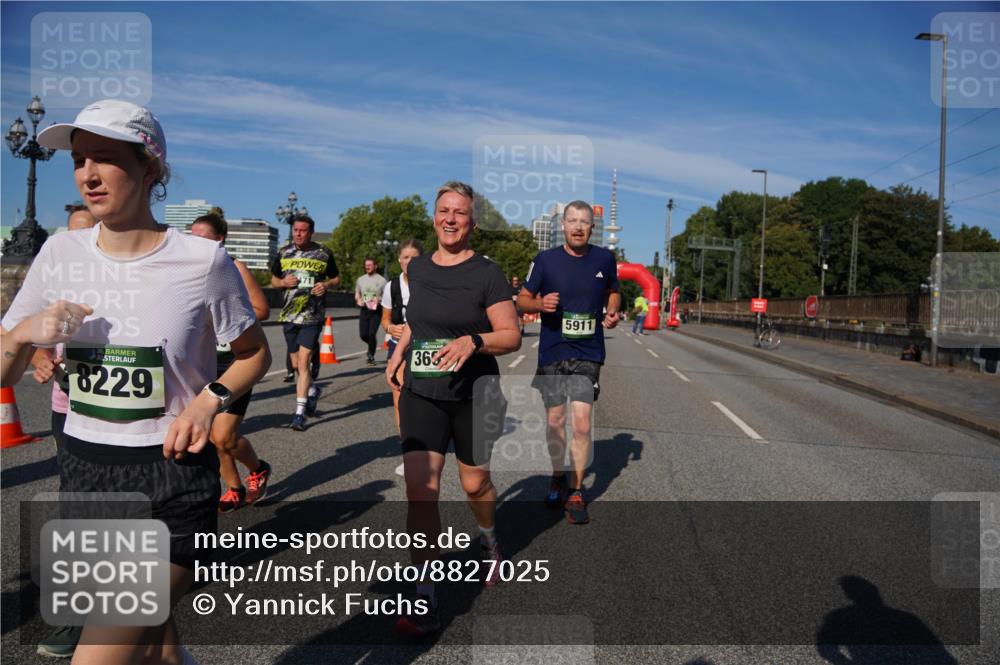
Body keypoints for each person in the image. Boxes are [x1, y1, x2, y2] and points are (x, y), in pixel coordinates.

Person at [0, 98, 270, 665]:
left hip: (170, 480)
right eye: (78, 160)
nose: (87, 175)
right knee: (157, 648)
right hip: (85, 472)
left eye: (105, 158)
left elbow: (252, 354)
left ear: (151, 168)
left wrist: (207, 404)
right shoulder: (60, 252)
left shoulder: (202, 261)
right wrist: (25, 331)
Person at [385, 181, 520, 636]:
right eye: (444, 210)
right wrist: (400, 350)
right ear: (434, 217)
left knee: (474, 482)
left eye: (460, 212)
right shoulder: (418, 269)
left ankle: (489, 539)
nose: (450, 218)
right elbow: (416, 322)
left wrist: (474, 341)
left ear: (472, 222)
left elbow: (511, 335)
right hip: (422, 391)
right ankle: (425, 591)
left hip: (474, 393)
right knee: (421, 490)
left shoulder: (488, 272)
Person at [517, 200, 620, 525]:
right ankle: (557, 475)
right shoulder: (545, 260)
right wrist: (539, 302)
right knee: (555, 423)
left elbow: (613, 291)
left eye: (584, 222)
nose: (578, 226)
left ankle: (575, 491)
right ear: (563, 225)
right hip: (552, 351)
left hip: (588, 352)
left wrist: (612, 309)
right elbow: (521, 300)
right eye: (572, 221)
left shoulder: (605, 258)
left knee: (582, 424)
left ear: (593, 227)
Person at [27, 203, 97, 660]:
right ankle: (76, 617)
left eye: (85, 233)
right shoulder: (55, 277)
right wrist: (38, 357)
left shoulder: (137, 275)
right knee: (77, 503)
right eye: (69, 234)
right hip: (67, 408)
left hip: (127, 418)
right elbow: (24, 334)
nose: (75, 243)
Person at [189, 209, 273, 513]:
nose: (196, 244)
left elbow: (261, 310)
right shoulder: (184, 271)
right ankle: (234, 488)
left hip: (233, 362)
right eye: (192, 237)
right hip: (200, 362)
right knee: (212, 436)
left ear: (220, 240)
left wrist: (227, 314)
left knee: (224, 436)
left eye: (204, 238)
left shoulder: (234, 267)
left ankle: (258, 468)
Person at [270, 215, 340, 431]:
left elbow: (337, 279)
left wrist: (326, 285)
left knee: (303, 362)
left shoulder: (323, 253)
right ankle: (312, 391)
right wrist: (282, 282)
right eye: (296, 230)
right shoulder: (283, 252)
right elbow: (272, 279)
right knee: (294, 363)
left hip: (312, 315)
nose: (298, 234)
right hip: (289, 315)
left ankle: (299, 414)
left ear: (311, 232)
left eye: (303, 230)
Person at [380, 239, 423, 432]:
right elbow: (385, 320)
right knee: (399, 394)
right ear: (399, 260)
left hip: (425, 345)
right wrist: (391, 329)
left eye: (414, 258)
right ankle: (405, 440)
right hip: (398, 345)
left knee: (421, 398)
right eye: (406, 257)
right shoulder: (392, 287)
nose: (409, 262)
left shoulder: (430, 283)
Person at [355, 257, 387, 367]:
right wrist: (358, 300)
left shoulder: (382, 280)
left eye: (370, 265)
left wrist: (379, 300)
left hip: (376, 311)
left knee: (371, 334)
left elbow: (387, 296)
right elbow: (357, 293)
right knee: (363, 335)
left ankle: (371, 356)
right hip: (364, 310)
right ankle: (371, 346)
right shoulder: (361, 279)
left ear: (375, 266)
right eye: (366, 265)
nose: (367, 267)